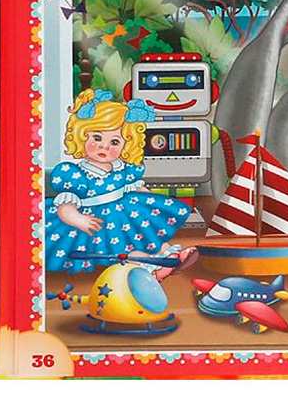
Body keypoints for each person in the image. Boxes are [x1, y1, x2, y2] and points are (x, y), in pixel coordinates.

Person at [45, 88, 192, 274]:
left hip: (125, 212)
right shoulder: (74, 175)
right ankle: (149, 265)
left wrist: (151, 201)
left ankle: (168, 253)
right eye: (97, 137)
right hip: (98, 221)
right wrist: (78, 219)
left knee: (147, 234)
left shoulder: (122, 169)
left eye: (114, 142)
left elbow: (136, 188)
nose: (104, 146)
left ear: (127, 145)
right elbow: (65, 207)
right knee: (124, 246)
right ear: (81, 135)